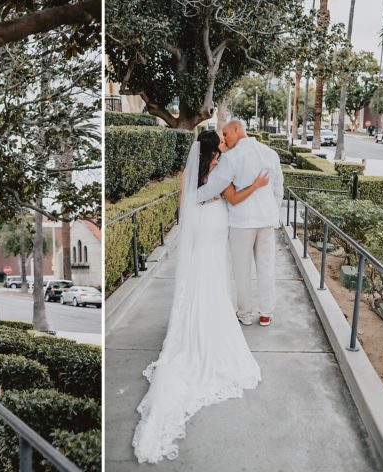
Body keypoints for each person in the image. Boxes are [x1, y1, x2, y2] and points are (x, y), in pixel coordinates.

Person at [131, 130, 269, 464]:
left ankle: (194, 324)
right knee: (215, 278)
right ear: (213, 149)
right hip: (216, 224)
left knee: (199, 277)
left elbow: (185, 204)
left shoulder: (190, 173)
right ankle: (213, 327)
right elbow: (233, 198)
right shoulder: (223, 169)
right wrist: (257, 187)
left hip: (200, 227)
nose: (224, 144)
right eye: (220, 142)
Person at [197, 120, 285, 326]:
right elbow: (278, 188)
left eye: (226, 134)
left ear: (237, 129)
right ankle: (266, 313)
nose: (224, 139)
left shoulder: (231, 158)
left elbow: (214, 186)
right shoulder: (270, 154)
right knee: (266, 267)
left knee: (241, 269)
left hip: (242, 221)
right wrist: (272, 211)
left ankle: (245, 314)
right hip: (266, 220)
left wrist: (191, 196)